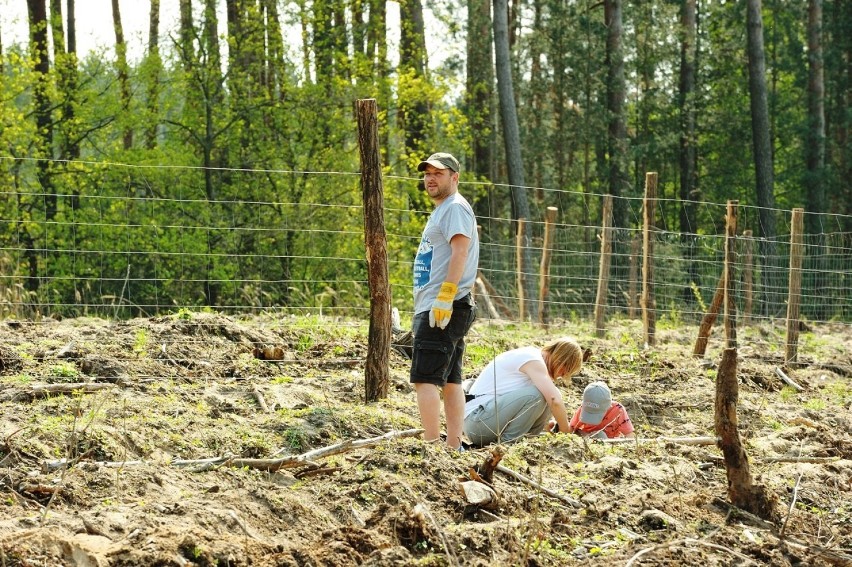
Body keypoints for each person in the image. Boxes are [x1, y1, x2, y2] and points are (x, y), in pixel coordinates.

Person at [410, 152, 479, 450]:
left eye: (438, 173)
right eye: (427, 173)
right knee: (450, 379)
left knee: (424, 379)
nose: (430, 178)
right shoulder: (444, 209)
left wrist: (446, 296)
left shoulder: (454, 208)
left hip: (443, 306)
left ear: (454, 177)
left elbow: (460, 251)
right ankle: (452, 446)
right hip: (442, 304)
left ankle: (431, 447)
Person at [463, 337, 584, 447]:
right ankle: (507, 445)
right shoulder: (533, 359)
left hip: (487, 420)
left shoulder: (535, 365)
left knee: (548, 393)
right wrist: (566, 433)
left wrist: (547, 425)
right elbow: (555, 400)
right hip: (477, 423)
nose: (562, 376)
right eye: (566, 370)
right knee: (540, 395)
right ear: (561, 359)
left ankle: (525, 442)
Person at [565, 381, 634, 439]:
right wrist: (585, 436)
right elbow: (572, 428)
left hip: (608, 443)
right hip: (586, 438)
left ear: (608, 406)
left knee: (601, 435)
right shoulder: (582, 408)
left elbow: (629, 435)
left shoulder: (618, 410)